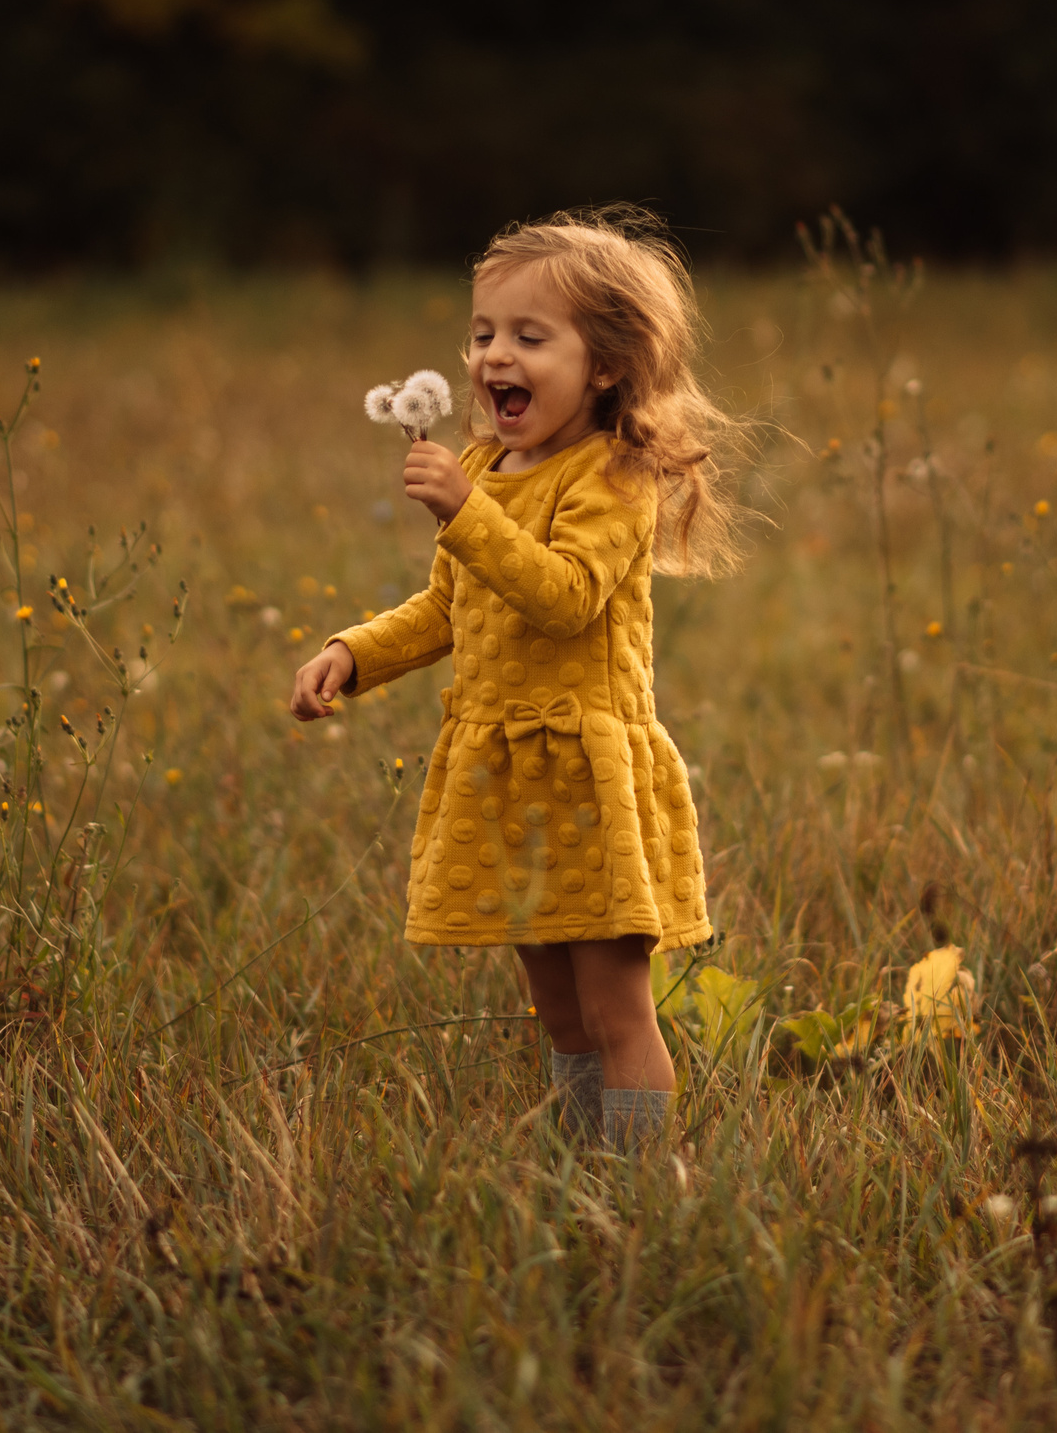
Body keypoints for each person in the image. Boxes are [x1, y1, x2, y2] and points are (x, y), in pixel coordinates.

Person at [289, 206, 740, 1153]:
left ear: (606, 364)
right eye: (483, 333)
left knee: (616, 1011)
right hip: (510, 777)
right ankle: (588, 1166)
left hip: (587, 778)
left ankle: (645, 1186)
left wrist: (467, 510)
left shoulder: (614, 476)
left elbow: (566, 596)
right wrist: (354, 652)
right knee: (557, 1009)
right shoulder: (486, 464)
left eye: (531, 336)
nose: (496, 354)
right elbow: (452, 609)